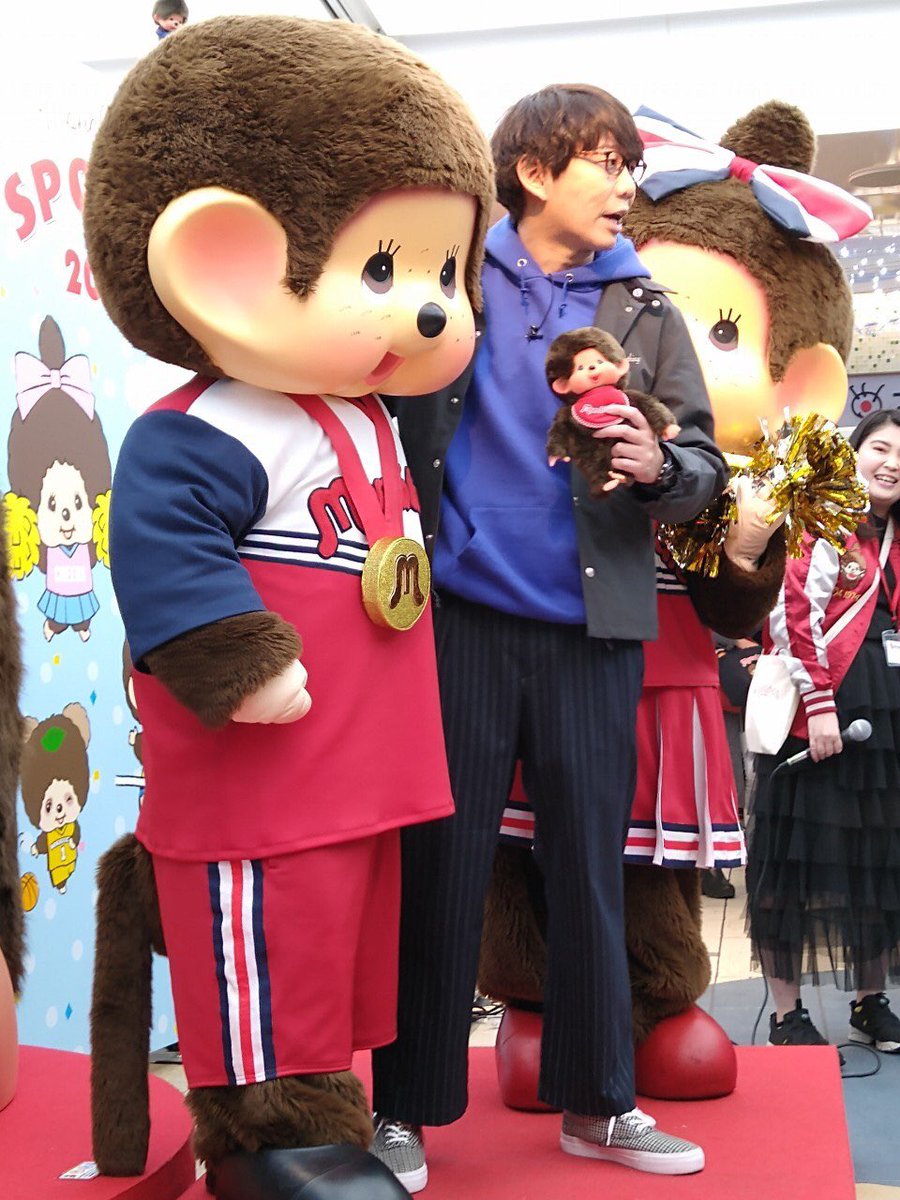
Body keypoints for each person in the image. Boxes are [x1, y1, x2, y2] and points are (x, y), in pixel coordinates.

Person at [371, 83, 727, 1191]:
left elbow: (705, 467)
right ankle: (403, 1112)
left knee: (590, 870)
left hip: (594, 629)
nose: (625, 186)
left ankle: (600, 1103)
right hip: (458, 622)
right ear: (534, 171)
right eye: (605, 163)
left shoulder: (648, 307)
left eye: (628, 166)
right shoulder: (452, 277)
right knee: (442, 867)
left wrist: (662, 469)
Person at [747, 408, 900, 1055]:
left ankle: (871, 1001)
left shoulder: (895, 535)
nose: (892, 463)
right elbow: (790, 613)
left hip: (886, 716)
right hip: (821, 710)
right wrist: (819, 707)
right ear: (853, 451)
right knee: (793, 861)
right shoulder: (821, 517)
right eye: (881, 448)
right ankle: (787, 1016)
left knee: (877, 859)